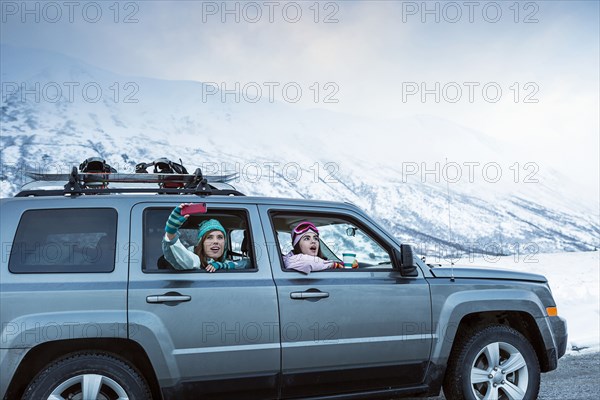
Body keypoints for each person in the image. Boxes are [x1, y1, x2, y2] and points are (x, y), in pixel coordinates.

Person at [162, 204, 250, 272]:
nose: (215, 241)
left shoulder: (224, 263)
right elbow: (182, 257)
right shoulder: (196, 261)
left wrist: (222, 266)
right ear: (201, 243)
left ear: (225, 243)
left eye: (220, 237)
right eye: (209, 237)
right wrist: (171, 232)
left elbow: (247, 263)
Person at [283, 221, 351, 274]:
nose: (313, 241)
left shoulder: (320, 262)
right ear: (296, 245)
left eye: (316, 238)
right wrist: (334, 265)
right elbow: (307, 263)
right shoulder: (290, 260)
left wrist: (345, 265)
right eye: (307, 238)